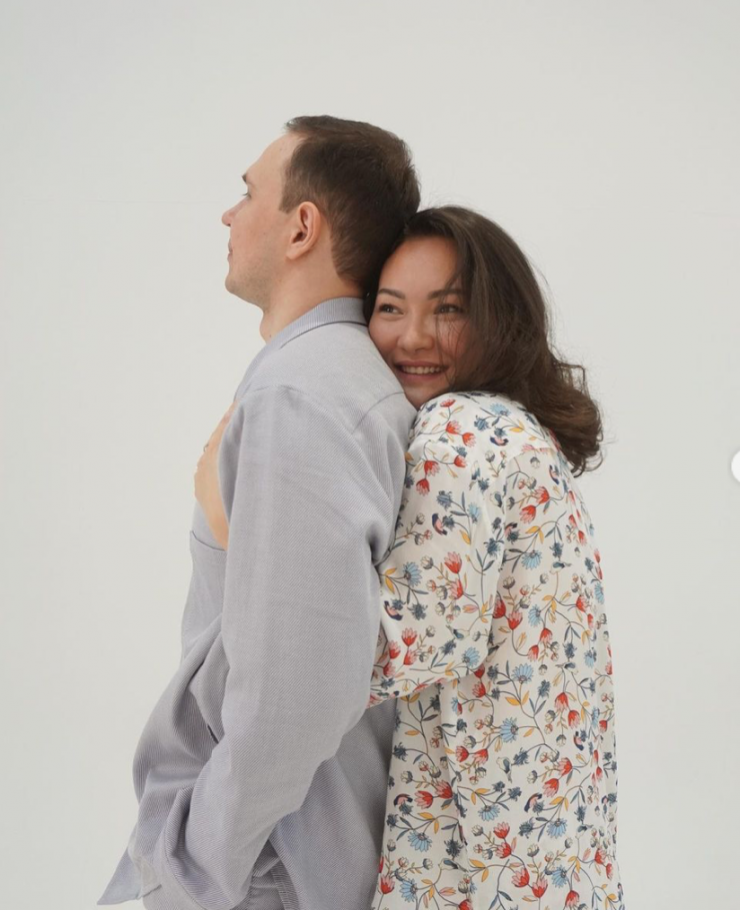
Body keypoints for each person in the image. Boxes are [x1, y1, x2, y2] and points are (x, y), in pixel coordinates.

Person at [198, 205, 625, 910]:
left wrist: (227, 522)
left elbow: (379, 653)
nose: (414, 337)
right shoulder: (523, 435)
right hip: (557, 867)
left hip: (479, 875)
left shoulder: (462, 433)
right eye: (390, 308)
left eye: (447, 309)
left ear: (497, 319)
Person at [96, 115, 421, 910]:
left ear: (302, 227)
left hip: (266, 873)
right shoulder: (335, 378)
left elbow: (297, 695)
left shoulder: (301, 392)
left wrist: (192, 868)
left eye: (247, 193)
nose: (228, 214)